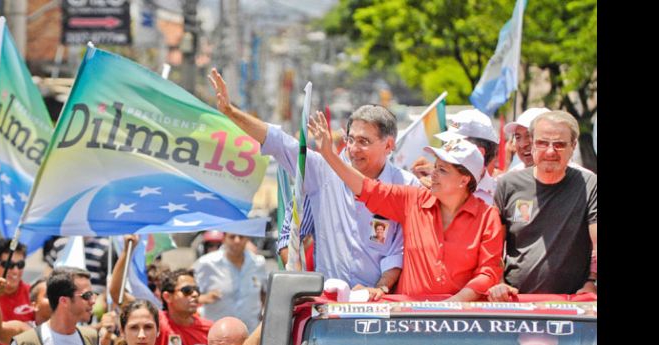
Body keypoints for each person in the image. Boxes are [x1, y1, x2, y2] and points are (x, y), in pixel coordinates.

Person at [209, 68, 421, 299]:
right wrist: (230, 111)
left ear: (389, 146)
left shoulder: (406, 186)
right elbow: (278, 142)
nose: (353, 149)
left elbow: (399, 249)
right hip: (327, 303)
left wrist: (378, 289)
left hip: (380, 304)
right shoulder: (323, 170)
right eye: (351, 140)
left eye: (364, 142)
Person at [309, 111, 504, 301]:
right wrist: (329, 155)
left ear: (464, 180)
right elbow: (368, 189)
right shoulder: (414, 199)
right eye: (435, 167)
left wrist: (452, 305)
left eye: (442, 170)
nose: (433, 174)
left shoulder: (488, 217)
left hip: (456, 324)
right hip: (407, 324)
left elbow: (488, 272)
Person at [488, 110, 597, 300]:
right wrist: (499, 283)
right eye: (542, 143)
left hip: (572, 307)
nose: (550, 151)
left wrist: (591, 282)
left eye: (559, 145)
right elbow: (494, 245)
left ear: (573, 146)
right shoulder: (508, 184)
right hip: (516, 303)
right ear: (533, 145)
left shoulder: (589, 185)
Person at [192, 232, 268, 332]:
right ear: (224, 239)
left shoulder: (258, 263)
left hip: (249, 333)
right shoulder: (207, 263)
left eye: (241, 236)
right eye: (232, 237)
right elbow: (187, 293)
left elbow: (265, 294)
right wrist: (204, 298)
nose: (237, 241)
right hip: (217, 335)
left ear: (247, 239)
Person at [434, 109, 500, 205]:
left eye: (454, 143)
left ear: (479, 153)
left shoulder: (501, 195)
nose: (447, 148)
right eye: (448, 143)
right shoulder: (433, 186)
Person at [156, 269, 213, 345]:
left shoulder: (210, 330)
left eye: (197, 290)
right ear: (167, 297)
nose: (195, 294)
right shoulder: (154, 323)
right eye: (187, 290)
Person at [0, 277, 52, 345]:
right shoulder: (25, 332)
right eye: (48, 296)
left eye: (58, 295)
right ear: (34, 305)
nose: (54, 299)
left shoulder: (63, 332)